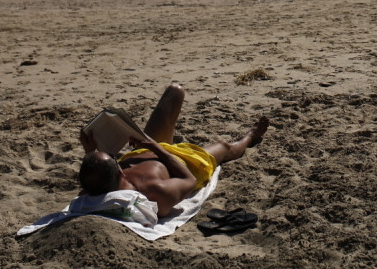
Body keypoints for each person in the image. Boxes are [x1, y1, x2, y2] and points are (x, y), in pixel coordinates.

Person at [78, 83, 268, 217]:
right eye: (114, 159)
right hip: (181, 162)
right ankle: (250, 136)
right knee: (225, 148)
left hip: (143, 150)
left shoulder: (91, 190)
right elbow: (189, 180)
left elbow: (93, 180)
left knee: (175, 91)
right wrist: (156, 148)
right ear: (120, 171)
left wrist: (90, 152)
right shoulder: (155, 193)